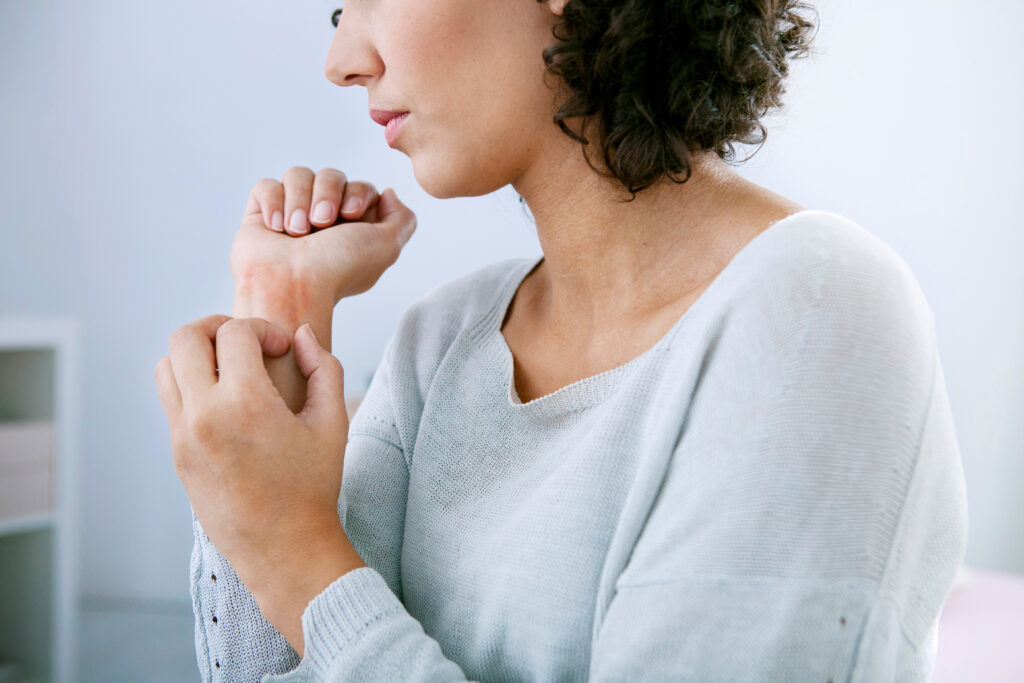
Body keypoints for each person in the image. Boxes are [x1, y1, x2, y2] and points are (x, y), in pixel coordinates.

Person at [154, 1, 969, 680]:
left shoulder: (819, 305)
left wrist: (299, 550)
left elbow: (306, 582)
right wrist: (283, 311)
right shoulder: (441, 343)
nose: (341, 59)